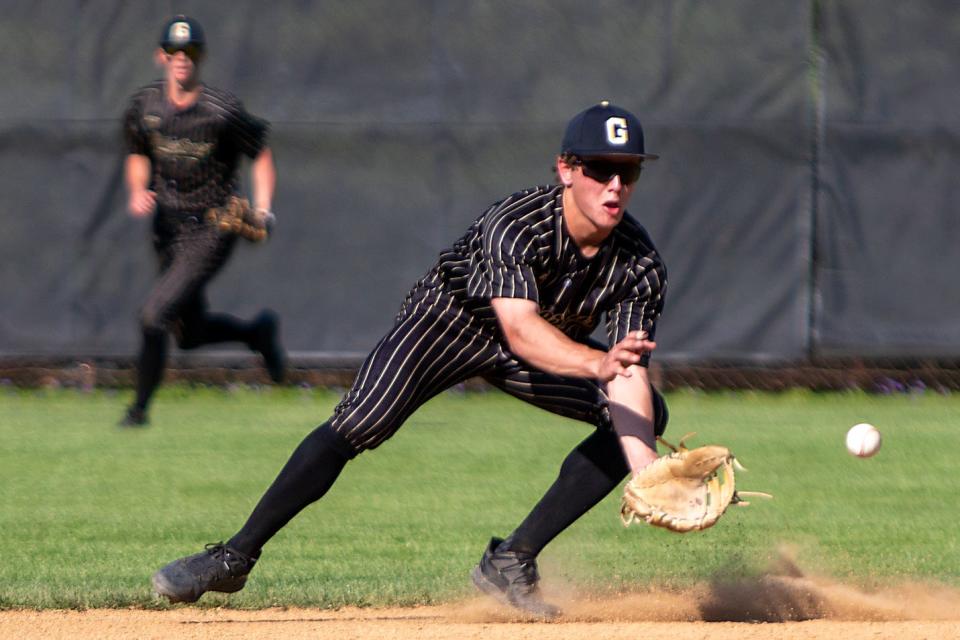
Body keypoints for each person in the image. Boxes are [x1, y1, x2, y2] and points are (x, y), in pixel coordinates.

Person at [152, 101, 668, 618]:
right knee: (356, 425)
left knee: (644, 416)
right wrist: (600, 366)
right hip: (446, 322)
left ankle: (511, 560)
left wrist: (644, 469)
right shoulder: (518, 222)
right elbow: (521, 329)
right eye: (600, 168)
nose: (615, 185)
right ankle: (234, 556)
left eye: (628, 171)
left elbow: (627, 372)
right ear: (566, 168)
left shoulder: (639, 262)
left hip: (538, 350)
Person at [119, 15, 286, 427]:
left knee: (153, 315)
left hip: (213, 225)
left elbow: (260, 152)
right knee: (188, 334)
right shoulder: (145, 105)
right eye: (174, 51)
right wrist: (138, 189)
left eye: (190, 51)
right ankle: (257, 334)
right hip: (167, 230)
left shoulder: (220, 111)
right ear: (161, 56)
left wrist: (262, 208)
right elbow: (138, 152)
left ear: (201, 57)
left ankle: (138, 412)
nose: (182, 58)